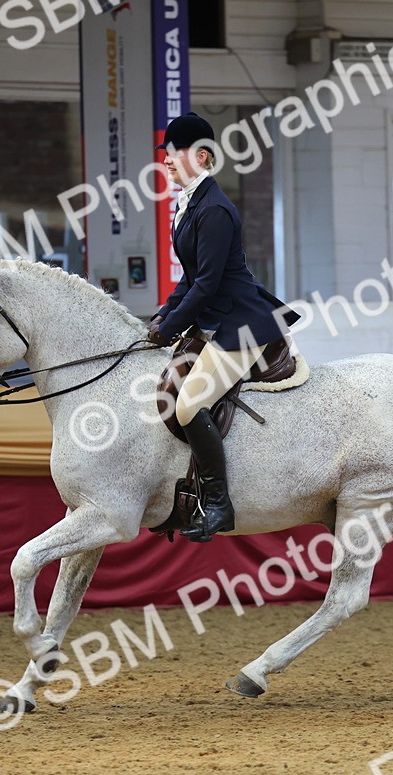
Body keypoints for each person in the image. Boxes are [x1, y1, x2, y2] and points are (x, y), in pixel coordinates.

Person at [147, 112, 301, 543]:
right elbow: (190, 278)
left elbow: (210, 283)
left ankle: (217, 504)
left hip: (241, 323)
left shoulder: (214, 209)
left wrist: (173, 323)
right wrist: (163, 316)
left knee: (188, 405)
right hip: (217, 317)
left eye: (174, 153)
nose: (168, 161)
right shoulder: (190, 203)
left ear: (201, 155)